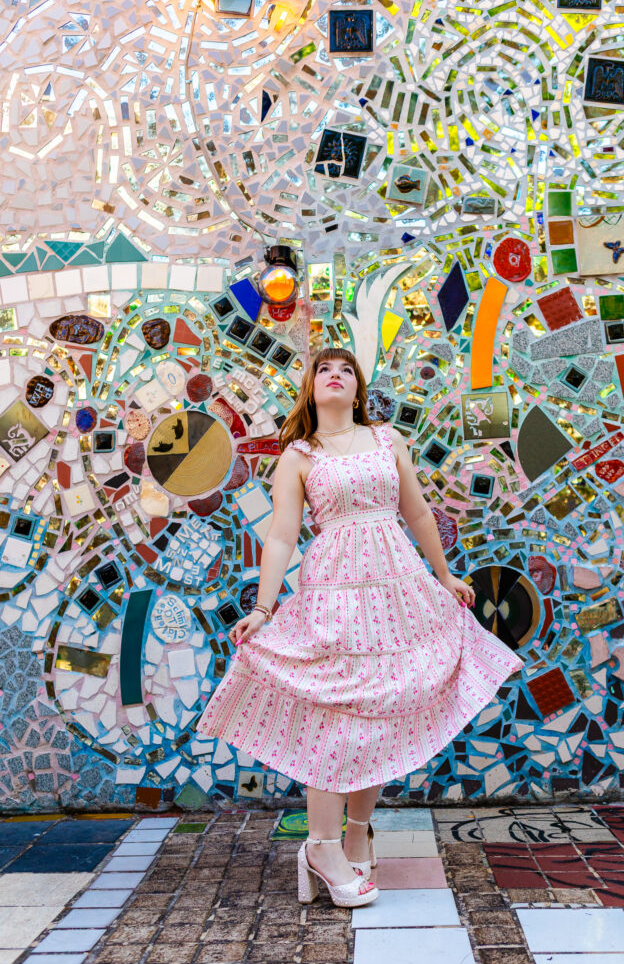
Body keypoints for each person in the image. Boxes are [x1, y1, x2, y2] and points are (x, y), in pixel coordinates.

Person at [197, 346, 524, 908]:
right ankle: (320, 846)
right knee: (337, 711)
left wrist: (443, 576)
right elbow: (281, 535)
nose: (335, 375)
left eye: (346, 370)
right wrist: (264, 608)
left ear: (357, 388)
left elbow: (418, 513)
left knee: (381, 708)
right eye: (324, 368)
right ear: (310, 386)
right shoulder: (299, 456)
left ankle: (355, 833)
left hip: (397, 588)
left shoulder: (386, 440)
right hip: (334, 593)